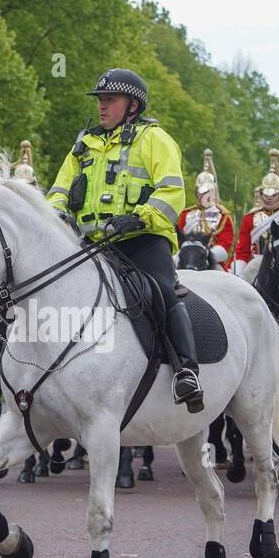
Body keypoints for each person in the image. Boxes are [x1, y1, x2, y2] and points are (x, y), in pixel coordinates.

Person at [43, 68, 200, 410]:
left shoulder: (155, 139)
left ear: (132, 105)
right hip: (91, 245)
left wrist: (139, 217)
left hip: (142, 239)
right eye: (100, 100)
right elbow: (57, 190)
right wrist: (54, 214)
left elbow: (173, 191)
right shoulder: (82, 144)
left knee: (161, 288)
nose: (102, 106)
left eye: (109, 100)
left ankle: (186, 371)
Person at [234, 149, 279, 278]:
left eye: (273, 194)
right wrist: (238, 274)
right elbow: (243, 251)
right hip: (255, 267)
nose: (268, 198)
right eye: (265, 194)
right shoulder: (250, 218)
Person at [177, 148, 234, 270]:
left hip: (212, 259)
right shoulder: (186, 214)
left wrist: (206, 254)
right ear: (196, 193)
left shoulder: (223, 215)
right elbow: (179, 241)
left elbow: (225, 245)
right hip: (186, 257)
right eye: (201, 191)